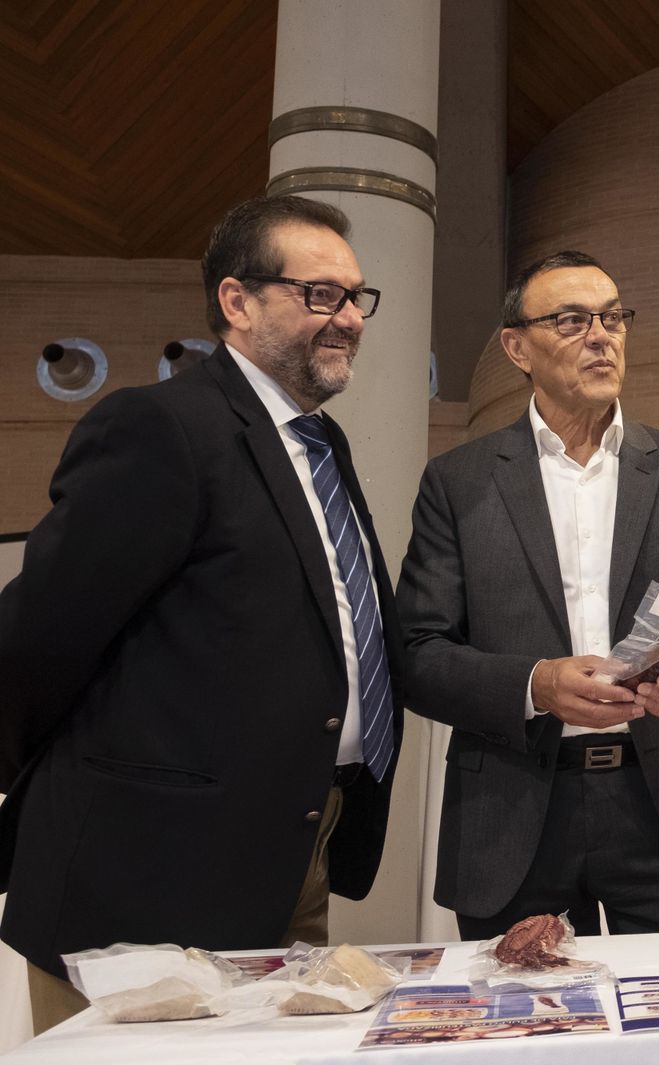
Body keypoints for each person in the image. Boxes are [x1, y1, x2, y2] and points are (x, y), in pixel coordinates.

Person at [0, 195, 403, 1032]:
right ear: (237, 300)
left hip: (294, 852)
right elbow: (40, 635)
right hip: (145, 874)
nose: (348, 319)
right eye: (320, 294)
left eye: (355, 297)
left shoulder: (321, 445)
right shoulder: (162, 426)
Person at [398, 251, 659, 938]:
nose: (601, 335)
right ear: (518, 347)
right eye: (571, 319)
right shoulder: (459, 482)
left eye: (612, 317)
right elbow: (418, 653)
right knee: (524, 1031)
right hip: (513, 807)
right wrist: (535, 683)